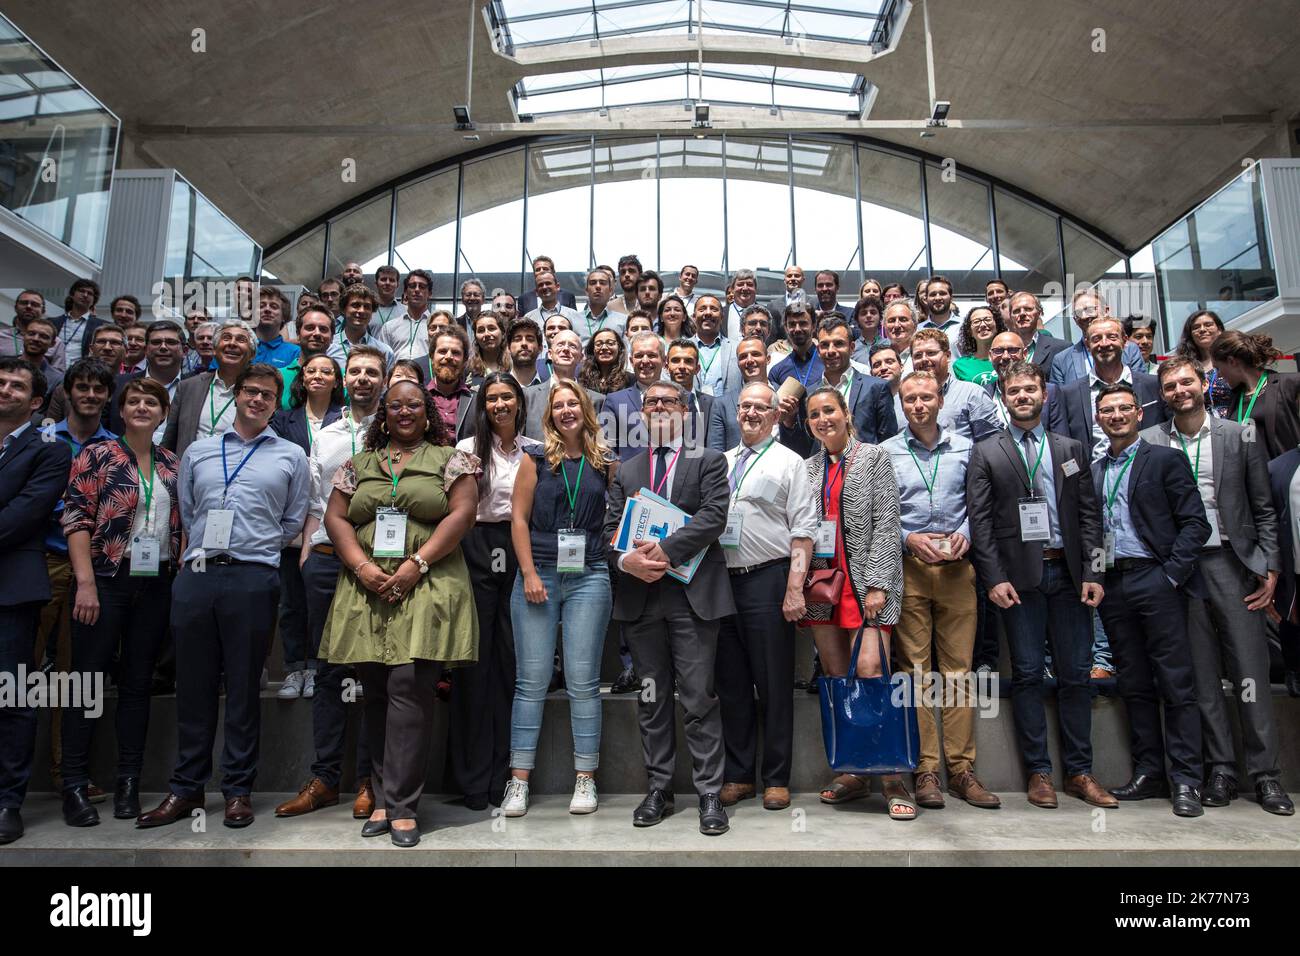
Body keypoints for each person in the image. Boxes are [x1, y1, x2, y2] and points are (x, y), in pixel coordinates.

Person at [134, 363, 309, 831]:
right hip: (197, 576)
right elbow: (189, 511)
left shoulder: (291, 455)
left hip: (254, 577)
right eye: (250, 392)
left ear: (277, 403)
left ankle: (237, 791)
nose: (257, 400)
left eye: (267, 396)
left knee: (245, 689)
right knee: (193, 686)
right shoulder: (199, 452)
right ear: (237, 395)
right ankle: (186, 787)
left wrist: (256, 547)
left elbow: (292, 522)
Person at [316, 378, 480, 847]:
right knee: (377, 690)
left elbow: (462, 514)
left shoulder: (451, 460)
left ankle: (404, 805)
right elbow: (335, 517)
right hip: (366, 586)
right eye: (395, 407)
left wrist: (416, 564)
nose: (404, 413)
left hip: (429, 581)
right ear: (383, 415)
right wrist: (362, 567)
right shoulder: (359, 464)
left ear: (428, 414)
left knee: (410, 686)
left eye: (413, 406)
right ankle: (384, 798)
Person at [1141, 359, 1293, 815]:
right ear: (1162, 394)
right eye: (1170, 385)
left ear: (1204, 385)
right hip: (1180, 571)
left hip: (1232, 563)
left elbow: (1263, 506)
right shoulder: (1151, 440)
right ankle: (1221, 770)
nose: (1179, 390)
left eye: (1187, 381)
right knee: (1201, 677)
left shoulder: (1238, 435)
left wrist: (1269, 566)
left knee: (1249, 675)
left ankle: (1266, 775)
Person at [965, 361, 1115, 810]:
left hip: (1070, 576)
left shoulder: (1071, 449)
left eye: (1030, 389)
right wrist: (993, 578)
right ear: (1004, 398)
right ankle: (1039, 772)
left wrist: (1095, 572)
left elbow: (1092, 517)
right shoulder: (986, 451)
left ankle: (1081, 772)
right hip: (1018, 581)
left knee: (1075, 675)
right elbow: (982, 522)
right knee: (1028, 674)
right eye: (1014, 391)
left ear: (1044, 394)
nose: (1023, 396)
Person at [603, 379, 735, 835]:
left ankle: (709, 794)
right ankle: (659, 788)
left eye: (668, 401)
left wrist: (664, 551)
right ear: (640, 414)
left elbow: (714, 516)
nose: (658, 407)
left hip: (692, 599)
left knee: (699, 698)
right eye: (651, 402)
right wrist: (627, 560)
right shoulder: (626, 470)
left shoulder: (709, 460)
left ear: (684, 410)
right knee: (651, 698)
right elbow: (608, 532)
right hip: (641, 602)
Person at [59, 378, 180, 825]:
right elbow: (74, 518)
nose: (143, 407)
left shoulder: (171, 462)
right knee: (86, 684)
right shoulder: (98, 455)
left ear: (164, 413)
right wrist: (85, 584)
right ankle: (73, 783)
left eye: (152, 401)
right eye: (134, 401)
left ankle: (128, 781)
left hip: (156, 582)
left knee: (136, 685)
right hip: (105, 580)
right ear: (121, 409)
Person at [274, 347, 386, 822]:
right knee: (328, 671)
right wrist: (305, 548)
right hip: (324, 560)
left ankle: (368, 780)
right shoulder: (327, 434)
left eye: (372, 372)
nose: (362, 378)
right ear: (345, 380)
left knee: (374, 673)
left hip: (379, 561)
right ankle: (325, 778)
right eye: (355, 371)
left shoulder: (397, 429)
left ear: (384, 380)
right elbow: (316, 498)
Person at [883, 371, 1000, 809]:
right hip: (909, 568)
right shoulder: (885, 452)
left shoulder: (968, 449)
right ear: (901, 403)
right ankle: (925, 769)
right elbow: (879, 512)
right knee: (914, 674)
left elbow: (981, 503)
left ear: (940, 399)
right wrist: (906, 537)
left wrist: (967, 533)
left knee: (957, 672)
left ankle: (962, 769)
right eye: (909, 398)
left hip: (957, 569)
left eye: (926, 396)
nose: (918, 404)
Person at [1091, 382, 1210, 817]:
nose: (1116, 415)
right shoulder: (1095, 470)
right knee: (1135, 685)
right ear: (1099, 418)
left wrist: (1171, 576)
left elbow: (1196, 524)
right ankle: (1149, 772)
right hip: (1114, 586)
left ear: (1139, 414)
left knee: (1176, 684)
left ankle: (1186, 779)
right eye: (1108, 410)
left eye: (1124, 408)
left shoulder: (1165, 459)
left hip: (1157, 581)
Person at [501, 380, 615, 817]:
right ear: (548, 414)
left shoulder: (604, 460)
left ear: (584, 409)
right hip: (539, 577)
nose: (566, 410)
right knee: (529, 684)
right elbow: (518, 519)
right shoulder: (534, 460)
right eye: (558, 405)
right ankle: (518, 781)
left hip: (590, 577)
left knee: (583, 683)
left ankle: (585, 778)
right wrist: (528, 572)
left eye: (573, 403)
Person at [798, 386, 909, 818]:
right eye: (814, 414)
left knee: (870, 671)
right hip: (822, 587)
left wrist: (879, 582)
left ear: (846, 413)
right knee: (835, 676)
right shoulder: (806, 469)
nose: (823, 419)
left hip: (866, 585)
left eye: (830, 411)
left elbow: (887, 523)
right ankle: (853, 769)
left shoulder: (874, 457)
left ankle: (892, 774)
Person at [716, 382, 816, 811]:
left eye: (760, 408)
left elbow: (804, 530)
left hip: (769, 579)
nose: (751, 414)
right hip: (720, 582)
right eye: (744, 407)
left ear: (776, 415)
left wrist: (795, 587)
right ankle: (739, 775)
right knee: (732, 683)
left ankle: (776, 778)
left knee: (773, 683)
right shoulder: (721, 462)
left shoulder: (790, 462)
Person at [447, 373, 539, 810]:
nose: (500, 404)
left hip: (520, 548)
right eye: (492, 398)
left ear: (520, 403)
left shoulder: (536, 451)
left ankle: (506, 775)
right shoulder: (465, 451)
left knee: (510, 663)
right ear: (481, 405)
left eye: (507, 397)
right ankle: (471, 780)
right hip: (475, 548)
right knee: (474, 664)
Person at [0, 358, 72, 845]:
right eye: (0, 382)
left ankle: (7, 801)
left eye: (16, 385)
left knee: (10, 698)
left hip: (10, 587)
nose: (5, 389)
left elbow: (26, 513)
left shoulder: (48, 449)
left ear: (36, 401)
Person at [269, 354, 344, 700]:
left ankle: (316, 666)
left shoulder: (343, 420)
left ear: (336, 379)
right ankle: (294, 667)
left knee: (320, 602)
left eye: (326, 371)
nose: (317, 376)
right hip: (291, 520)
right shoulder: (285, 420)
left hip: (329, 522)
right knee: (292, 601)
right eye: (311, 370)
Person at [784, 316, 896, 457]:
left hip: (866, 473)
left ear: (852, 348)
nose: (831, 350)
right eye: (825, 345)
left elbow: (889, 443)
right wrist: (789, 423)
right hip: (823, 474)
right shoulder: (808, 393)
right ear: (818, 350)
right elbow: (803, 448)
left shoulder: (877, 388)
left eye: (838, 344)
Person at [1058, 317, 1166, 459]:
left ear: (1125, 341)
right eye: (1096, 339)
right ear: (1087, 345)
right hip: (1095, 476)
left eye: (1112, 337)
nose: (1104, 343)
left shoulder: (1153, 385)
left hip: (1148, 474)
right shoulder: (1069, 394)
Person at [163, 320, 256, 458]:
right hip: (189, 473)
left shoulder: (259, 393)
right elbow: (169, 441)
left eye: (241, 340)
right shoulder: (188, 387)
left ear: (252, 353)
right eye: (226, 338)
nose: (232, 343)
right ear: (215, 348)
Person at [898, 329, 1002, 443]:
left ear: (947, 356)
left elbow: (993, 442)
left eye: (931, 353)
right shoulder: (900, 401)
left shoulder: (972, 393)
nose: (924, 359)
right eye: (918, 355)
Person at [1211, 330, 1300, 461]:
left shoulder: (1290, 384)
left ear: (1232, 361)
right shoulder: (1235, 398)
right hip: (1256, 479)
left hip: (1290, 475)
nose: (1218, 375)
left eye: (1217, 368)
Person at [1050, 287, 1148, 385]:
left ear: (1106, 311)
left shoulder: (1130, 350)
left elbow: (1141, 387)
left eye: (1090, 309)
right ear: (1075, 320)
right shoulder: (1062, 361)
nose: (1084, 316)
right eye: (1078, 313)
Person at [523, 330, 603, 440]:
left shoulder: (597, 400)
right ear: (550, 354)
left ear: (581, 357)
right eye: (560, 344)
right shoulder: (527, 396)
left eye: (573, 346)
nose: (566, 349)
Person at [708, 335, 771, 453]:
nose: (750, 360)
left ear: (768, 359)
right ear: (737, 363)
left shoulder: (784, 394)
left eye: (756, 354)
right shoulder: (722, 405)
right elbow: (716, 454)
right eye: (743, 357)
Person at [1174, 310, 1230, 418]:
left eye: (1208, 325)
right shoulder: (1185, 367)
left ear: (1219, 330)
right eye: (1196, 327)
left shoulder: (1232, 359)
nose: (1202, 330)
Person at [277, 307, 335, 409]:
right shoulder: (278, 377)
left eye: (323, 329)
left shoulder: (342, 378)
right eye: (310, 328)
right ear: (298, 334)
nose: (317, 333)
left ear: (332, 338)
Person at [426, 325, 476, 443]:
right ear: (432, 357)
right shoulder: (418, 399)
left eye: (456, 352)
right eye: (443, 351)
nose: (448, 357)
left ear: (465, 361)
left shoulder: (477, 400)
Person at [328, 285, 395, 369]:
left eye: (367, 307)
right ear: (343, 309)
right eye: (356, 305)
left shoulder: (384, 351)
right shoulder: (328, 346)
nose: (361, 311)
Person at [1004, 292, 1068, 373]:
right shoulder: (1003, 352)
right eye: (1016, 311)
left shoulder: (1061, 348)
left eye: (1028, 309)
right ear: (1010, 316)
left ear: (1039, 312)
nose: (1022, 313)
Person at [692, 294, 740, 397]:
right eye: (702, 309)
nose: (708, 313)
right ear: (694, 317)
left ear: (722, 317)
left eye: (714, 309)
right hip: (692, 410)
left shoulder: (737, 348)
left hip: (727, 411)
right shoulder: (681, 348)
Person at [378, 270, 434, 360]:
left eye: (422, 287)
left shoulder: (437, 327)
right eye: (412, 286)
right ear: (405, 292)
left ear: (429, 294)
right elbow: (382, 359)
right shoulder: (389, 327)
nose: (416, 290)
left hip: (427, 374)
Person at [52, 279, 106, 366]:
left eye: (90, 293)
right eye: (81, 291)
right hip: (52, 372)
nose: (85, 295)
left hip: (80, 374)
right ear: (72, 294)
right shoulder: (53, 322)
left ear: (94, 301)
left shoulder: (101, 326)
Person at [952, 305, 1004, 386]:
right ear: (969, 331)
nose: (982, 325)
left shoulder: (1008, 358)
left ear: (997, 325)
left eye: (987, 319)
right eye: (976, 322)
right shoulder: (960, 365)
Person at [575, 267, 626, 344]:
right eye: (593, 283)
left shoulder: (623, 321)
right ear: (586, 291)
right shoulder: (573, 320)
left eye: (602, 283)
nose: (598, 286)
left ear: (610, 291)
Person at [253, 288, 301, 369]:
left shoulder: (295, 352)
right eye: (261, 306)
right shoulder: (243, 346)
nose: (267, 309)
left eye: (274, 307)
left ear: (284, 316)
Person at [918, 275, 962, 355]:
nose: (937, 298)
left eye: (942, 293)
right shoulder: (918, 329)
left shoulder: (964, 326)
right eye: (933, 294)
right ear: (926, 299)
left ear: (951, 297)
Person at [579, 327, 630, 395]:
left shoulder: (630, 380)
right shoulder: (582, 378)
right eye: (598, 344)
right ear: (592, 349)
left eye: (610, 343)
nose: (604, 348)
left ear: (619, 348)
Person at [505, 317, 548, 388]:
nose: (524, 343)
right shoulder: (499, 388)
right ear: (508, 348)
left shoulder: (550, 389)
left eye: (530, 339)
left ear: (540, 348)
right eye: (517, 339)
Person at [881, 300, 917, 375]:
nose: (897, 325)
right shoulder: (878, 357)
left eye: (903, 319)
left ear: (915, 325)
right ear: (884, 326)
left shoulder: (923, 355)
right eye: (891, 320)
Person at [850, 295, 885, 364]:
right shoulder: (852, 349)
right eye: (863, 313)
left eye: (873, 312)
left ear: (880, 317)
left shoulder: (890, 345)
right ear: (857, 320)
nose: (868, 316)